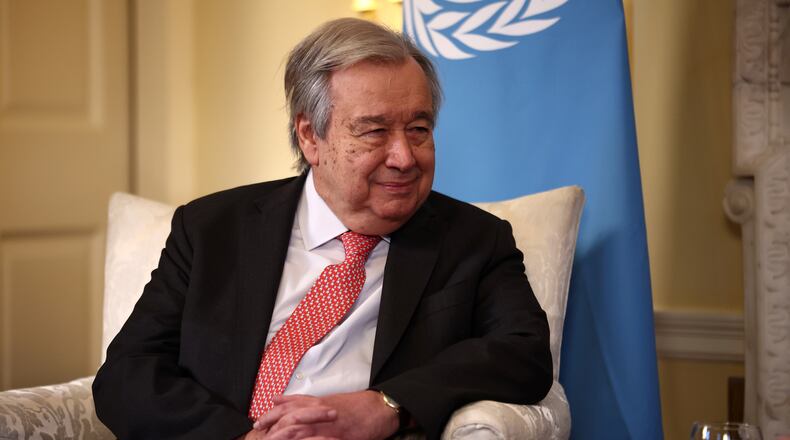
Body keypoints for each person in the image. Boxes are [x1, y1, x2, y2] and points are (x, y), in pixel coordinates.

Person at [93, 17, 552, 440]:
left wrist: (388, 405)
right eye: (374, 132)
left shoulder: (474, 240)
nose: (405, 157)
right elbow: (127, 373)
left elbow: (524, 354)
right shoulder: (211, 228)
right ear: (310, 136)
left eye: (418, 128)